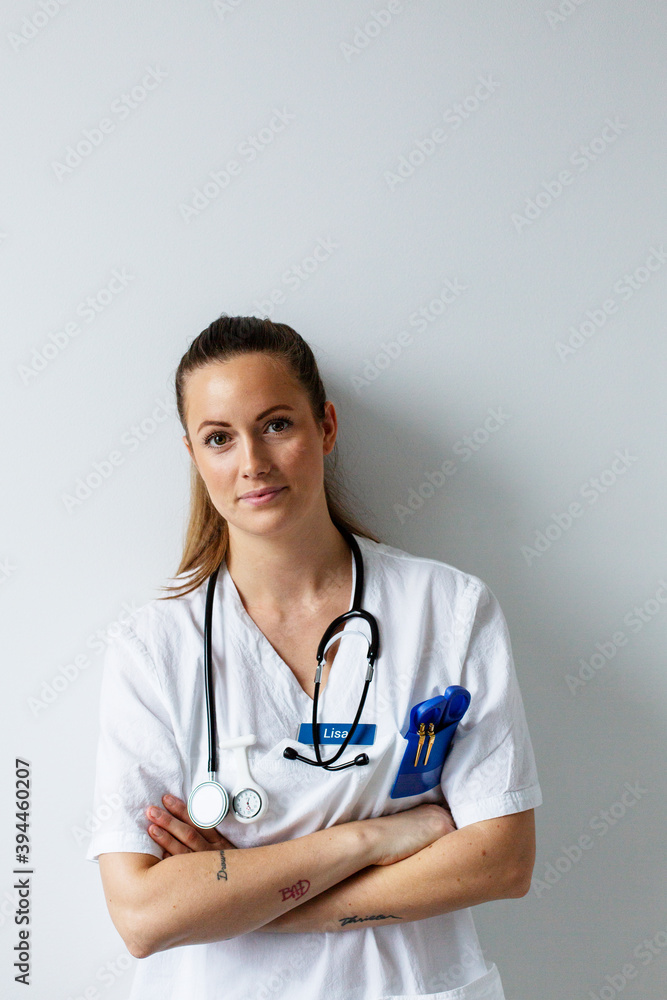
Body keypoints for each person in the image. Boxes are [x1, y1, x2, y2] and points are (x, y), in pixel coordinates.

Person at [85, 314, 543, 1000]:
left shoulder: (446, 609)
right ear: (193, 455)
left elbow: (500, 860)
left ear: (324, 427)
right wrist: (373, 840)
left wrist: (253, 900)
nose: (252, 463)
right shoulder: (153, 649)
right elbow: (144, 915)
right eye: (219, 438)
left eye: (276, 425)